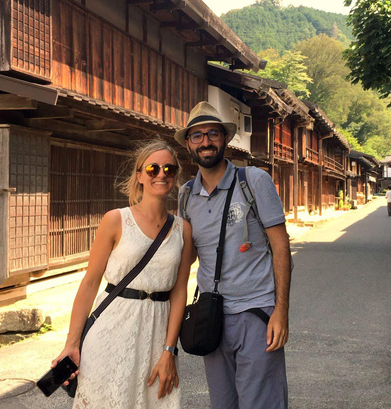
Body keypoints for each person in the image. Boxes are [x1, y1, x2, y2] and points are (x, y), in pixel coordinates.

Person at [52, 141, 193, 408]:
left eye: (169, 169)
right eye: (152, 168)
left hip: (156, 335)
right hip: (110, 329)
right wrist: (72, 343)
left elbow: (179, 291)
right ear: (139, 175)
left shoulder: (183, 230)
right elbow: (91, 282)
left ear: (175, 177)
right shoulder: (115, 219)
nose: (161, 174)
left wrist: (170, 350)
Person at [175, 101, 291, 409]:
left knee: (261, 403)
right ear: (188, 143)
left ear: (225, 139)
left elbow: (280, 246)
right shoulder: (186, 195)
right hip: (210, 319)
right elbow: (186, 259)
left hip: (256, 313)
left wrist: (281, 311)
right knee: (223, 404)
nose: (205, 141)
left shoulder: (253, 181)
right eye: (197, 136)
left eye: (213, 133)